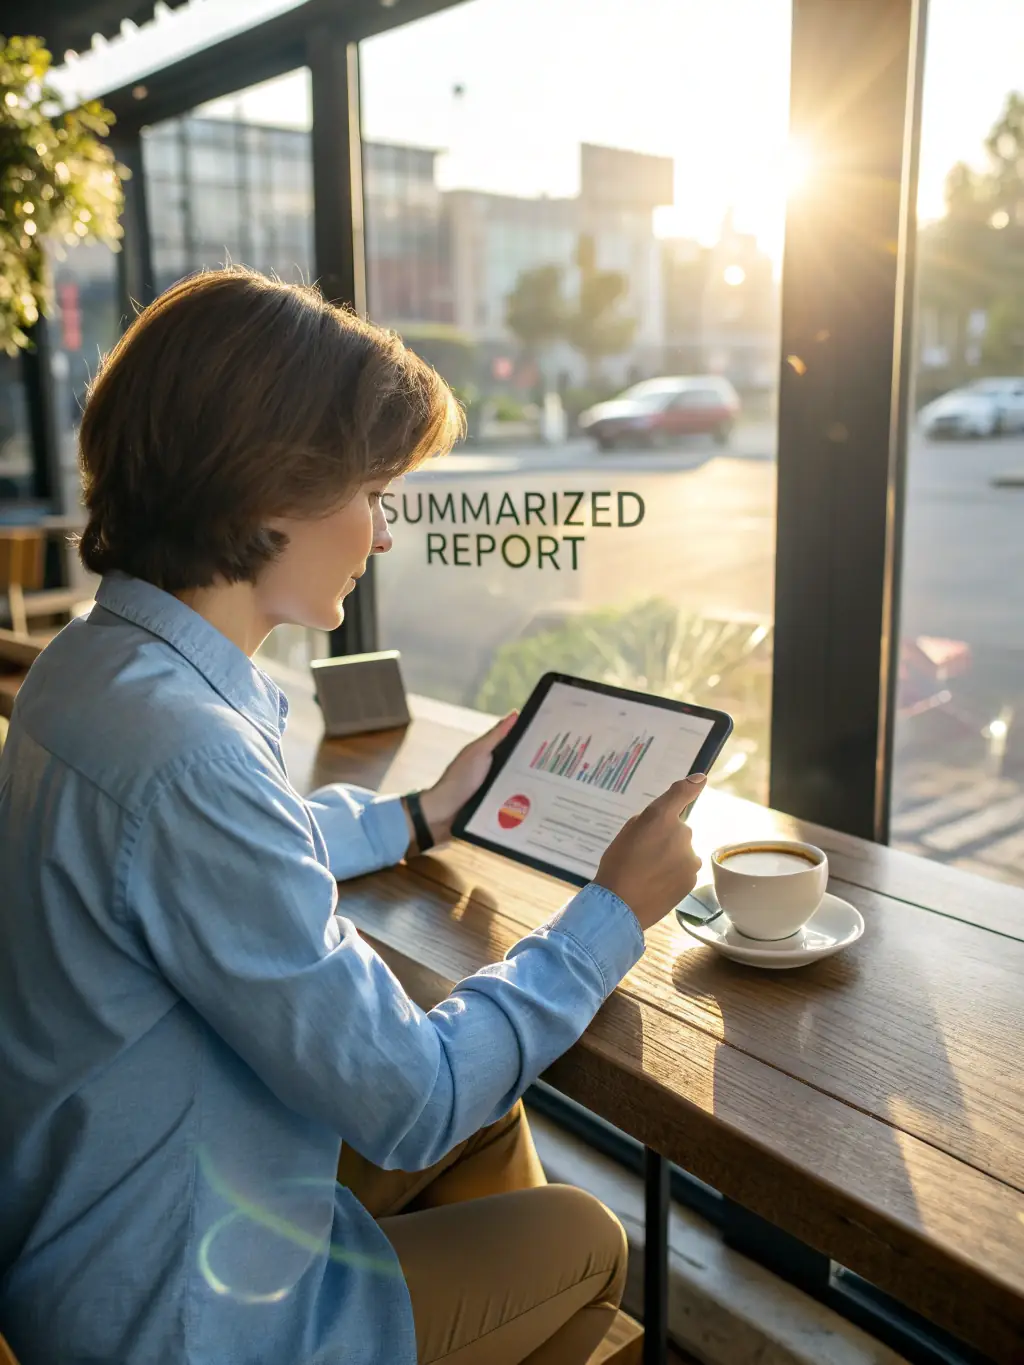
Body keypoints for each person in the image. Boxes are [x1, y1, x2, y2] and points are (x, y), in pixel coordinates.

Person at [0, 269, 705, 1365]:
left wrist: (422, 815)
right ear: (267, 493)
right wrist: (613, 911)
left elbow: (206, 859)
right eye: (373, 491)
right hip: (174, 1317)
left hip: (89, 1220)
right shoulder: (190, 754)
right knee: (581, 1237)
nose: (381, 533)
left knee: (496, 1116)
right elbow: (412, 1100)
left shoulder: (88, 669)